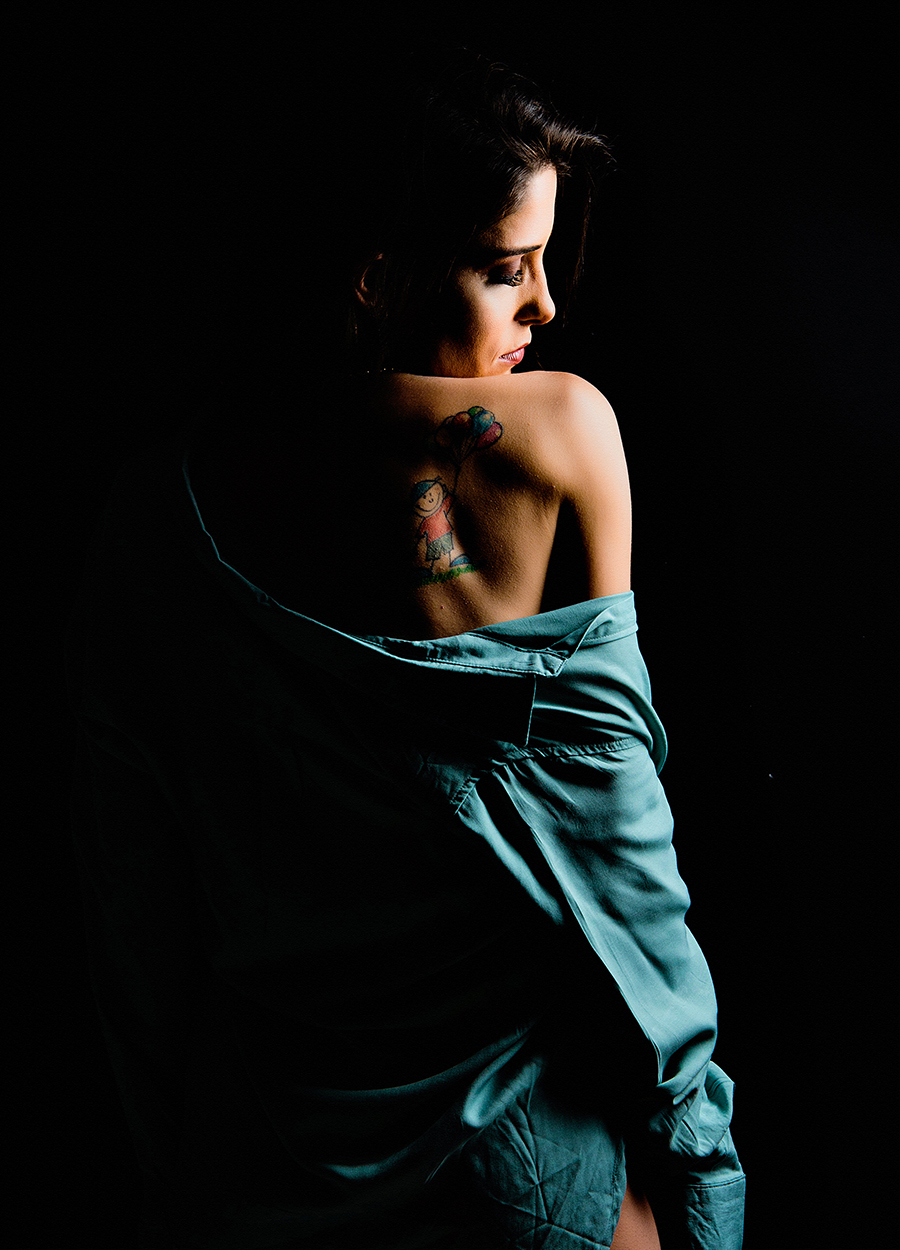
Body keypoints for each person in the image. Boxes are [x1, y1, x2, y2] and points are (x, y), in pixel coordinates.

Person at [67, 49, 745, 1248]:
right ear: (379, 274)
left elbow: (136, 898)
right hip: (513, 1171)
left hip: (264, 1159)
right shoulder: (559, 439)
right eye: (504, 268)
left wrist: (172, 1162)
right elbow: (624, 863)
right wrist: (702, 1166)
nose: (544, 307)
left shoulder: (151, 511)